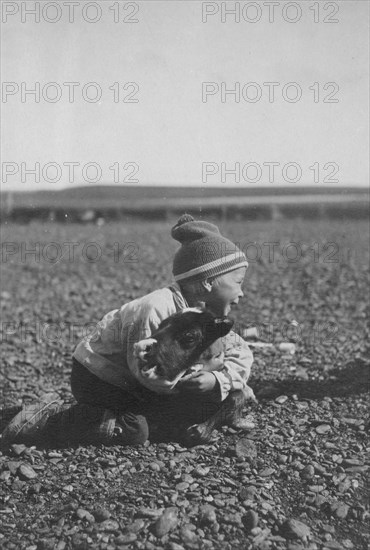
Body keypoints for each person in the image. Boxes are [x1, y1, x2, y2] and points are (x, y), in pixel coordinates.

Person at [1, 214, 254, 448]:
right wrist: (207, 373)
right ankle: (49, 419)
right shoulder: (156, 309)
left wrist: (218, 380)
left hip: (150, 383)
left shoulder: (207, 316)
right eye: (238, 282)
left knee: (208, 399)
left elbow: (241, 352)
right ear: (208, 281)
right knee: (135, 430)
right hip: (102, 379)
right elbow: (147, 373)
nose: (242, 292)